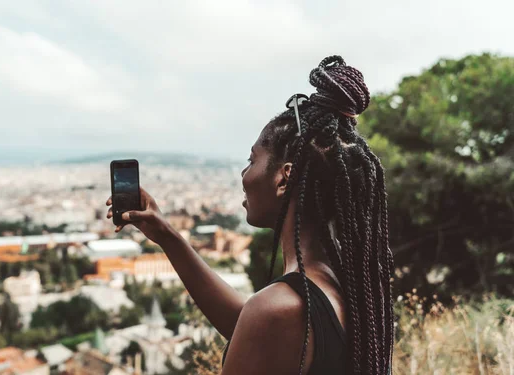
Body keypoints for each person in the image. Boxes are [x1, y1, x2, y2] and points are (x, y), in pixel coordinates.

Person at [106, 55, 394, 375]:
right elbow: (254, 332)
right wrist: (168, 237)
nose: (244, 174)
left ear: (284, 178)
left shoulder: (281, 309)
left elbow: (260, 324)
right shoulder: (344, 289)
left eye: (252, 160)